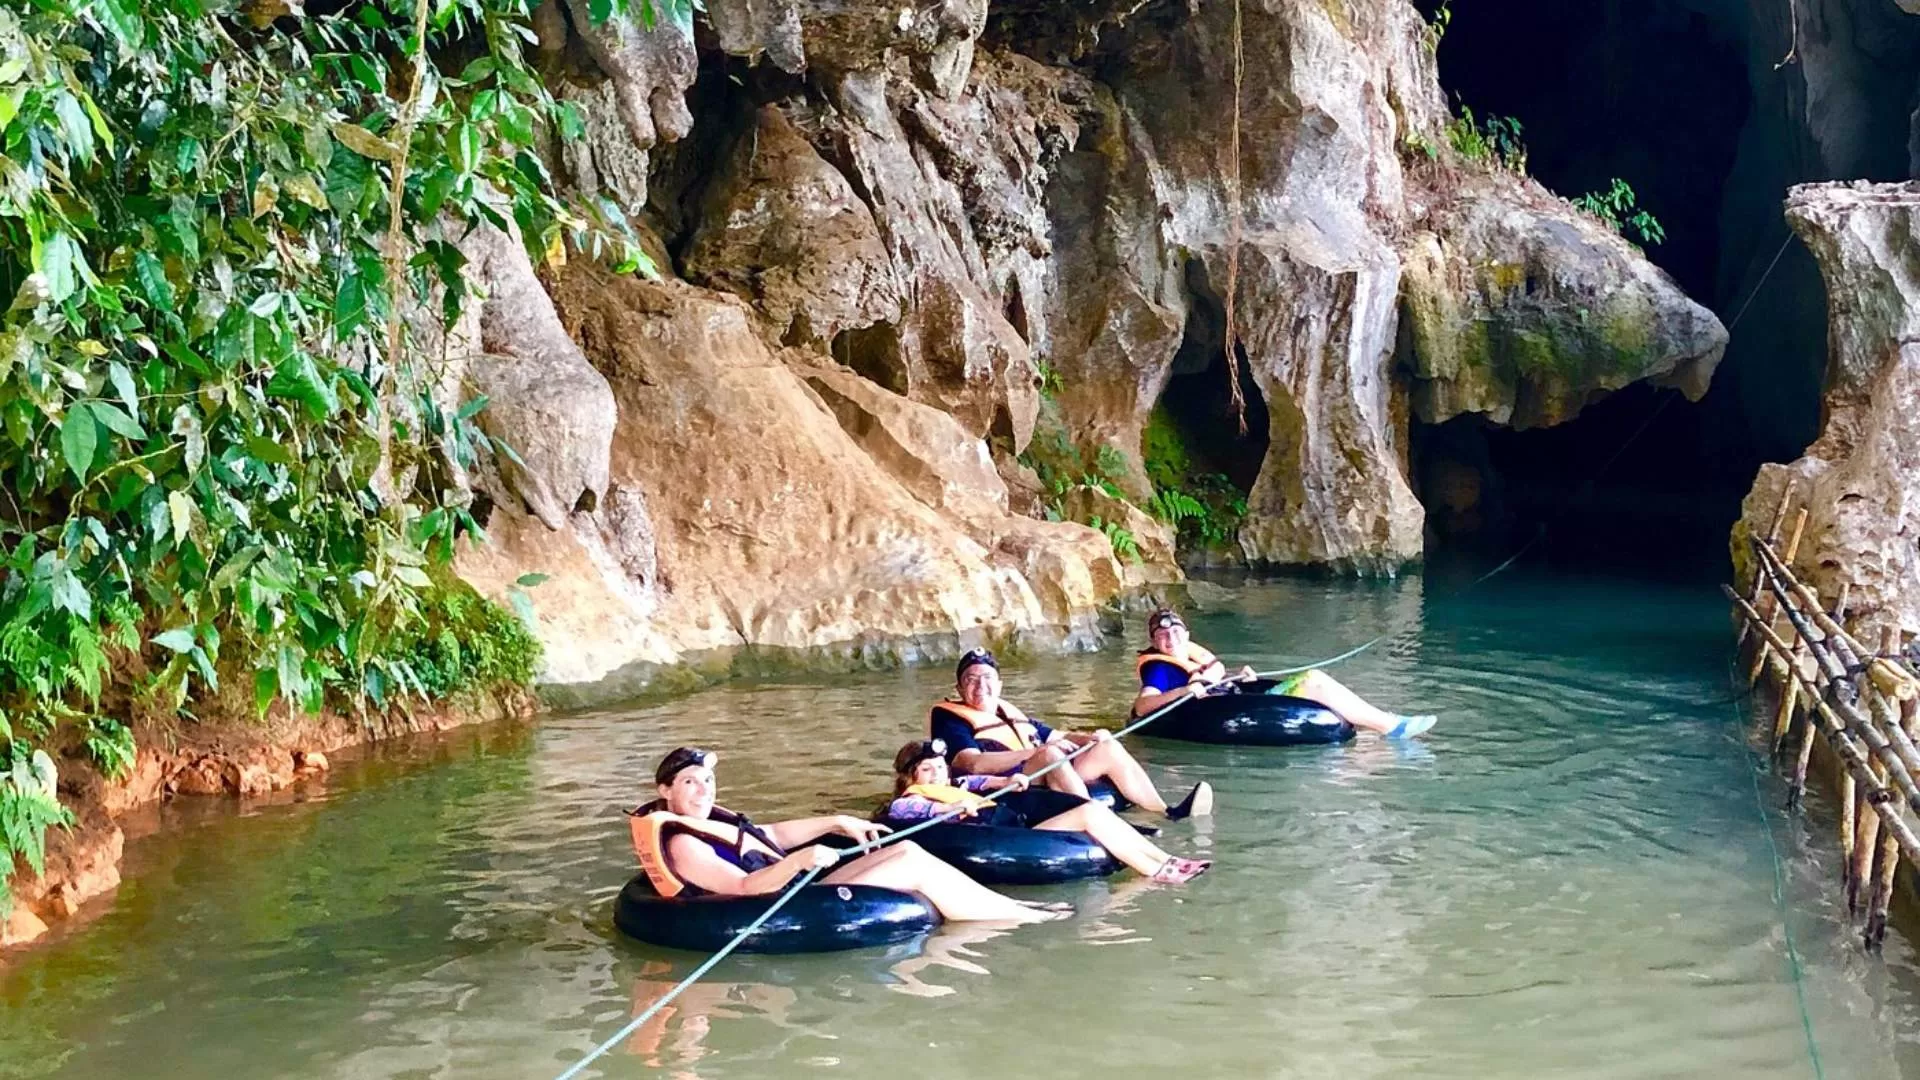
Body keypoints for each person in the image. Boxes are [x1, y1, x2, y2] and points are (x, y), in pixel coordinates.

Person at [629, 747, 1069, 924]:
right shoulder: (684, 843)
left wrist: (836, 821)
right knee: (909, 864)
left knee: (907, 847)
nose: (703, 789)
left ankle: (1015, 907)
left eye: (706, 780)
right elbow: (744, 886)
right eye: (690, 782)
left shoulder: (712, 820)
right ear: (665, 790)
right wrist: (801, 860)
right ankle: (1023, 918)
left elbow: (771, 834)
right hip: (781, 902)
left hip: (798, 885)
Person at [931, 648, 1213, 819]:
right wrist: (1036, 753)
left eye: (987, 679)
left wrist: (1091, 738)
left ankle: (1166, 812)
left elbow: (1056, 734)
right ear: (959, 689)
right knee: (1049, 753)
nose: (980, 686)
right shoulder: (950, 717)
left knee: (1107, 746)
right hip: (1005, 785)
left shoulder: (1009, 713)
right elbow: (969, 763)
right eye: (971, 680)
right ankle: (1102, 824)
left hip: (1044, 771)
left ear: (1000, 685)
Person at [885, 738, 1212, 884]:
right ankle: (1158, 872)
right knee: (1091, 814)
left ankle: (1165, 861)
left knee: (1093, 812)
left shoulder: (960, 785)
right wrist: (954, 807)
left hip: (1015, 828)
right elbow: (910, 810)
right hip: (1007, 839)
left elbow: (983, 780)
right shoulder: (909, 800)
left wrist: (1011, 779)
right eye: (928, 770)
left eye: (940, 768)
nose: (938, 775)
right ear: (911, 777)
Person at [1132, 607, 1437, 738]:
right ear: (1154, 642)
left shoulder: (1190, 654)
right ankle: (1390, 726)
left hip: (1232, 697)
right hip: (1216, 712)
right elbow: (1143, 706)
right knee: (1313, 680)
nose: (1169, 640)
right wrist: (1185, 691)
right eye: (1161, 637)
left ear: (1186, 634)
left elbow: (1210, 681)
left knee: (1314, 680)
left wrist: (1237, 675)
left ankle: (1381, 724)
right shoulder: (1160, 668)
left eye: (1174, 634)